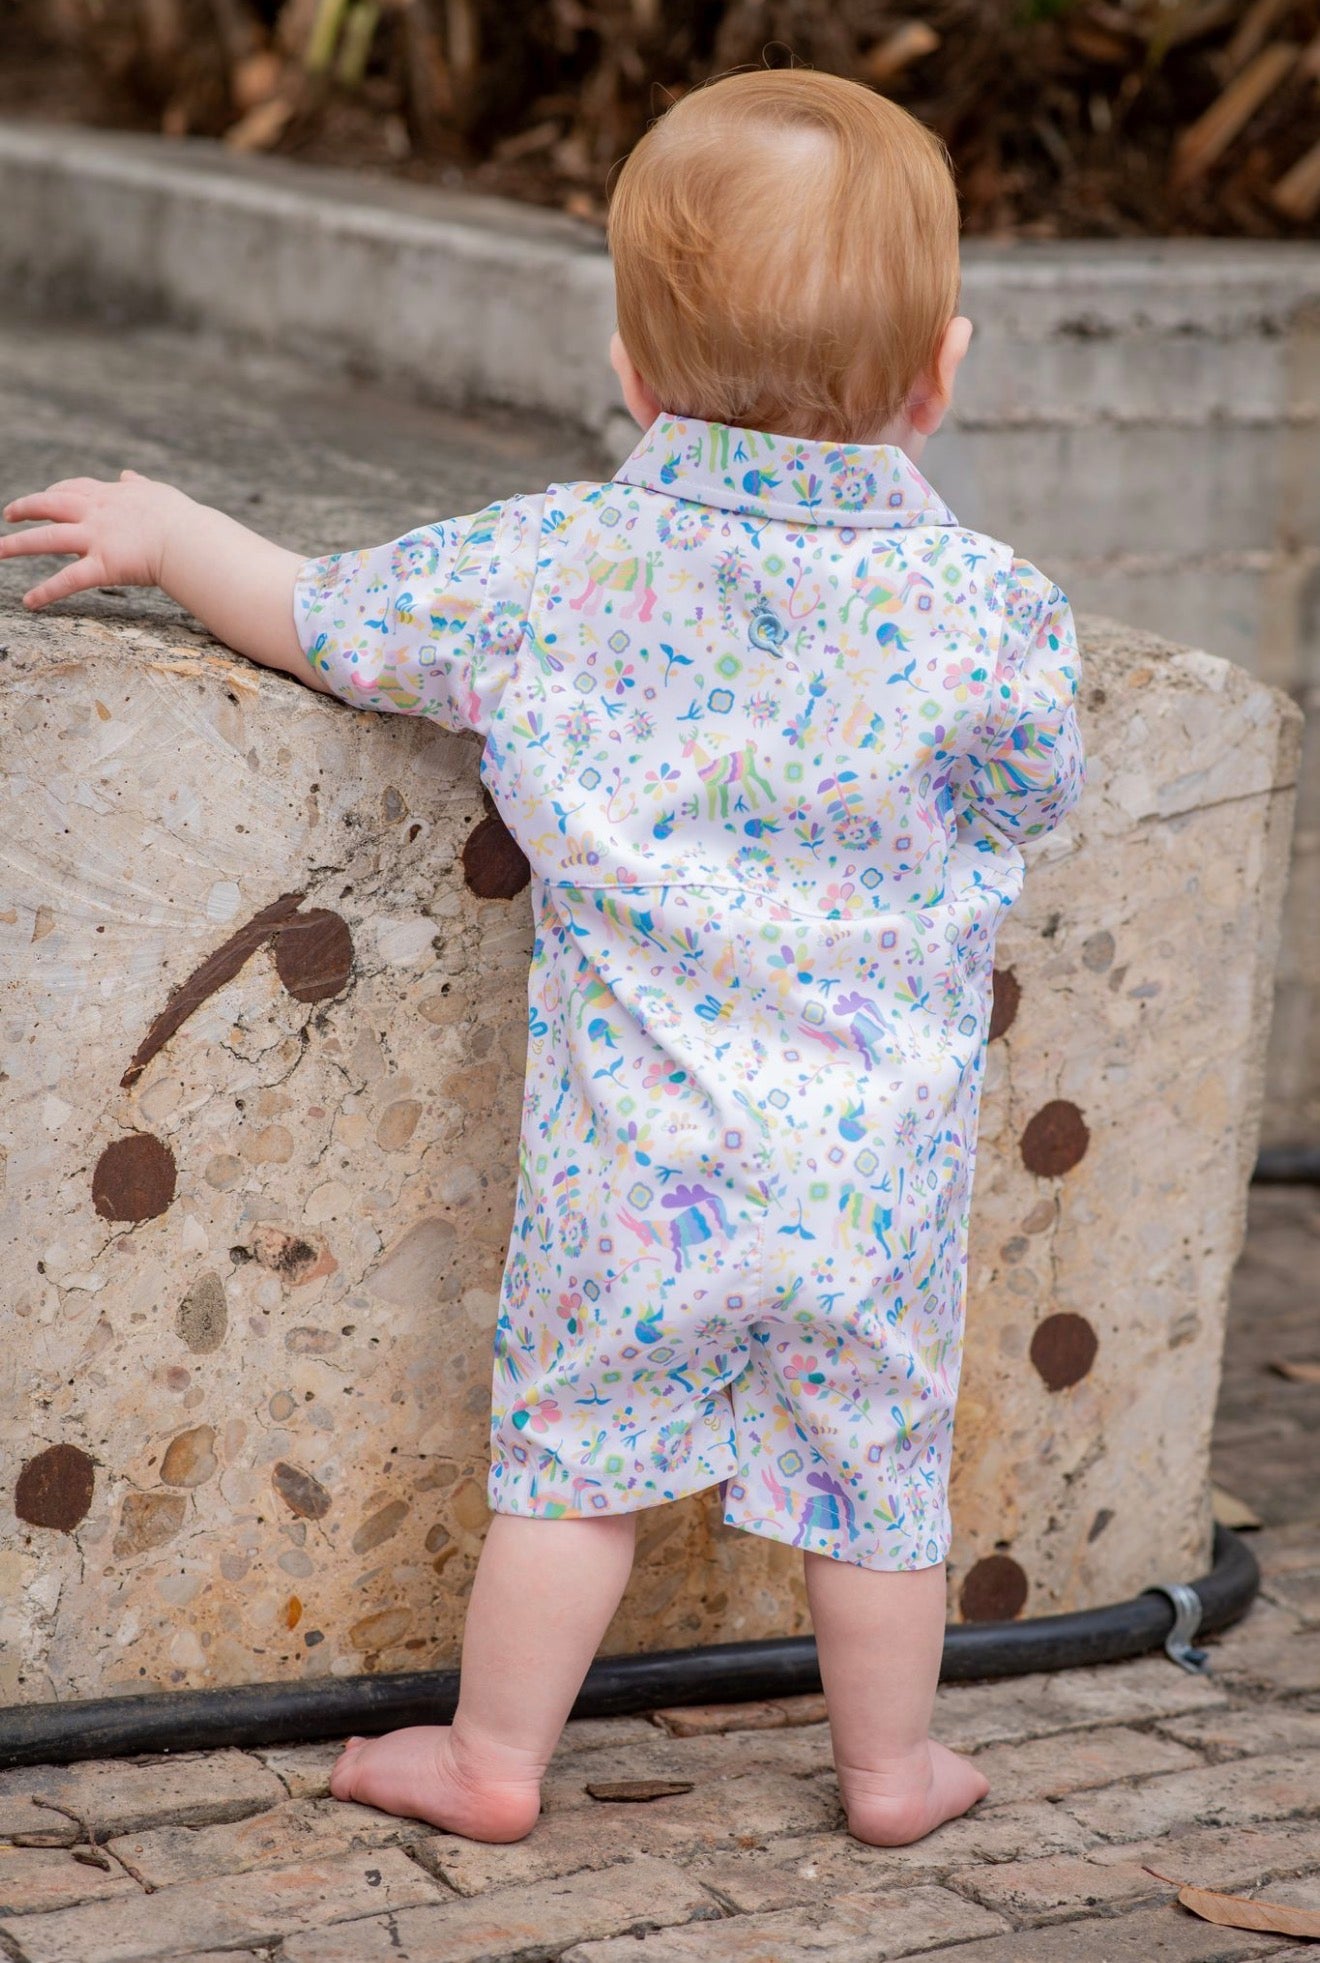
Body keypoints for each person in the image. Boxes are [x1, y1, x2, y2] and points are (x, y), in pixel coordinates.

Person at [1, 67, 1085, 1848]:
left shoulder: (560, 567)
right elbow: (1035, 782)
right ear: (942, 373)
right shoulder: (992, 611)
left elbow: (328, 619)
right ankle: (891, 1774)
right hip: (874, 1174)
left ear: (630, 364)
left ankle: (495, 1761)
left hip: (638, 1164)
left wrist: (168, 530)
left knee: (573, 1470)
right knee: (876, 1480)